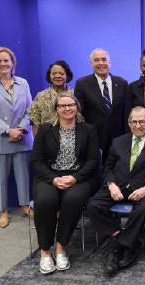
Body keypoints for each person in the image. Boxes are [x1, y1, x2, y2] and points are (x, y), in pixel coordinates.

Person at [87, 106, 145, 276]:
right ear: (129, 123)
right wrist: (112, 184)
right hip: (118, 186)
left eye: (142, 121)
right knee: (93, 206)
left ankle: (116, 248)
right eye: (134, 122)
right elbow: (108, 167)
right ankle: (128, 240)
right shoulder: (118, 141)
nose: (138, 125)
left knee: (143, 209)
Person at [31, 92, 99, 274]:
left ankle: (61, 247)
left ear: (77, 107)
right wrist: (53, 179)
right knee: (45, 201)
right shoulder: (45, 130)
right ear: (56, 108)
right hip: (49, 177)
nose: (67, 108)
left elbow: (93, 160)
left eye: (71, 105)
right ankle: (45, 251)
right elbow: (36, 161)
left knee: (74, 199)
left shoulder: (88, 129)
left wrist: (75, 177)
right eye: (63, 105)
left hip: (79, 177)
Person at [0, 47, 33, 228]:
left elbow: (30, 110)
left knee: (23, 175)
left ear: (12, 63)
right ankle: (3, 211)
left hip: (21, 137)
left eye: (6, 60)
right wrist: (8, 131)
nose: (3, 64)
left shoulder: (23, 83)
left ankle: (26, 206)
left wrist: (20, 130)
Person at [74, 48, 128, 163]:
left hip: (118, 139)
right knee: (96, 175)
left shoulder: (122, 83)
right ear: (91, 63)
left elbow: (126, 112)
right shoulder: (82, 84)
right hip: (94, 139)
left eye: (104, 59)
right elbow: (79, 114)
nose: (101, 63)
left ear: (110, 62)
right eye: (96, 60)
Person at [29, 60, 74, 136]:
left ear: (67, 76)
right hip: (47, 138)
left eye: (61, 73)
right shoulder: (41, 96)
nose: (57, 76)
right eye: (54, 73)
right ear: (49, 76)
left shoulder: (75, 95)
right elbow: (34, 119)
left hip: (71, 137)